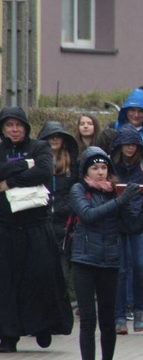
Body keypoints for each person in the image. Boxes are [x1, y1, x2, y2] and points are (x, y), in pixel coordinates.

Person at [0, 107, 74, 353]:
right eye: (9, 125)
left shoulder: (39, 147)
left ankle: (43, 326)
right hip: (6, 227)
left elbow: (43, 170)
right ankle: (8, 336)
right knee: (7, 284)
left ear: (26, 127)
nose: (14, 129)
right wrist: (24, 166)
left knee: (41, 278)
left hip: (36, 226)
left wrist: (9, 181)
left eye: (19, 124)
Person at [70, 148, 141, 360]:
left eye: (104, 168)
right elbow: (88, 215)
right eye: (95, 168)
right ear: (86, 171)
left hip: (110, 261)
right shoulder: (79, 189)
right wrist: (120, 200)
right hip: (84, 260)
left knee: (107, 320)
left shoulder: (116, 191)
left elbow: (132, 224)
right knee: (88, 319)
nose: (101, 172)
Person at [110, 125, 143, 334]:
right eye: (126, 144)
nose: (130, 148)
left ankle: (139, 310)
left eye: (133, 144)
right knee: (121, 269)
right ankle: (119, 316)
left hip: (141, 219)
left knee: (140, 264)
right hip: (117, 219)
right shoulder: (111, 165)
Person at [38, 121, 80, 292]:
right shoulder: (37, 161)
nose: (54, 139)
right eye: (50, 136)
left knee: (62, 270)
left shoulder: (72, 163)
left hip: (65, 222)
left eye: (58, 136)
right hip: (43, 219)